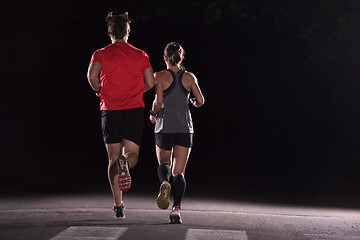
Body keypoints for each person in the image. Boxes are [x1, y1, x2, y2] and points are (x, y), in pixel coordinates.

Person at [87, 12, 163, 220]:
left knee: (112, 158)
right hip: (133, 108)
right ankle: (125, 164)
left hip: (109, 109)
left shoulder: (100, 53)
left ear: (110, 32)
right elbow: (149, 82)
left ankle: (118, 206)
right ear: (128, 31)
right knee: (132, 155)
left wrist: (99, 90)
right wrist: (135, 91)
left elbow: (91, 76)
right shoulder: (140, 54)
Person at [150, 42, 205, 224]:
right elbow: (201, 100)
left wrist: (152, 114)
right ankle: (176, 210)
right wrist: (194, 104)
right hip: (184, 128)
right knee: (179, 172)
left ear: (165, 58)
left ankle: (165, 183)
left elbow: (158, 102)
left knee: (163, 162)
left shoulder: (158, 76)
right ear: (181, 58)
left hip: (164, 127)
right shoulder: (189, 77)